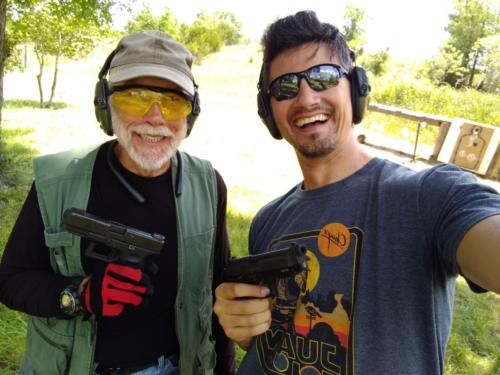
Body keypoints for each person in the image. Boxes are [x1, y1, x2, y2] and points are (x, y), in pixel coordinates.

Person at [213, 10, 500, 375]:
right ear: (268, 112)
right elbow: (277, 342)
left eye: (323, 77)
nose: (305, 98)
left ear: (356, 88)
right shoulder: (268, 222)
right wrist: (245, 329)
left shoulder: (429, 196)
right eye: (285, 86)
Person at [0, 30, 234, 374]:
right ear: (106, 105)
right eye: (135, 97)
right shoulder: (56, 182)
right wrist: (83, 295)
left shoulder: (209, 185)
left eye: (172, 101)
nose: (155, 117)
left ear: (190, 115)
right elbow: (11, 281)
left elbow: (219, 296)